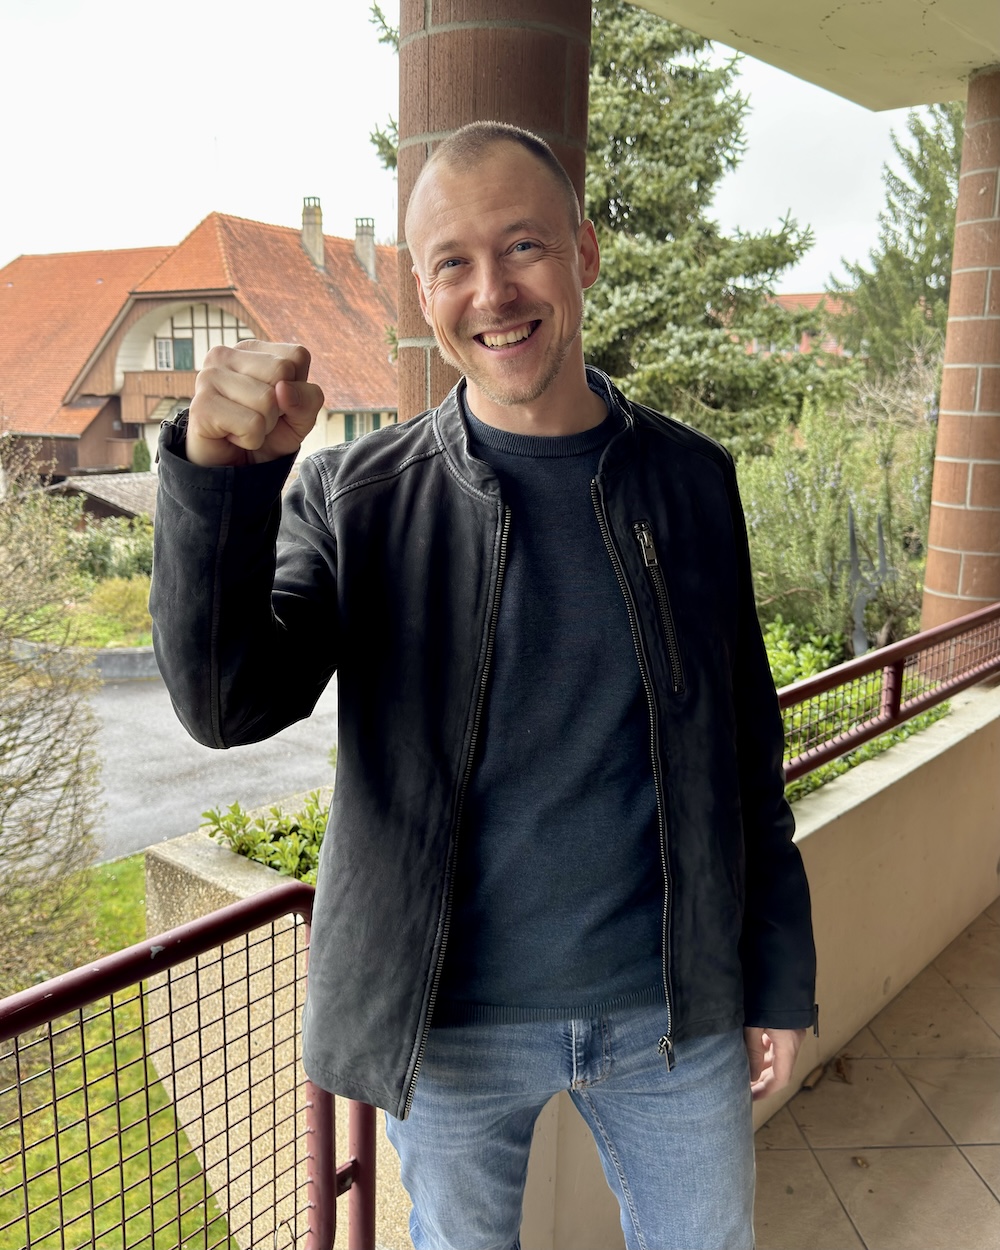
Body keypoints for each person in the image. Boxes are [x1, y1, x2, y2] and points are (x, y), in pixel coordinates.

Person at [150, 121, 817, 1250]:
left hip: (672, 1012)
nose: (492, 290)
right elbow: (229, 704)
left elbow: (746, 748)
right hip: (448, 1024)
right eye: (453, 261)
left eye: (523, 246)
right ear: (421, 288)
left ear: (584, 253)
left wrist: (778, 974)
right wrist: (221, 485)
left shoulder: (692, 480)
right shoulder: (359, 499)